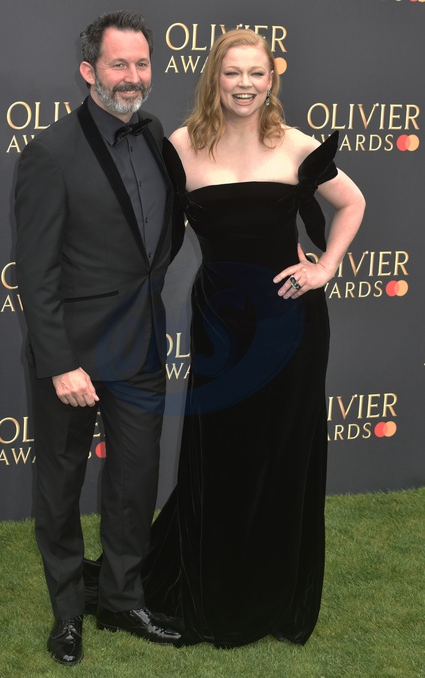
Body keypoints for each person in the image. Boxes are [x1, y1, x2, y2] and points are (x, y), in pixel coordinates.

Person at [138, 28, 366, 647]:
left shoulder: (295, 145)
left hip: (291, 325)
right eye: (233, 72)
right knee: (224, 454)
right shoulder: (181, 146)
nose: (244, 84)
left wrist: (325, 267)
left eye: (256, 74)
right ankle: (216, 588)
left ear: (271, 81)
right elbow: (150, 225)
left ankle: (275, 597)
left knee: (284, 454)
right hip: (222, 325)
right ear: (214, 77)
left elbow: (351, 203)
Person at [15, 10, 183, 666]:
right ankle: (67, 613)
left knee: (134, 480)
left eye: (141, 63)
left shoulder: (157, 136)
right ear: (90, 70)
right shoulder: (50, 152)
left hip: (140, 348)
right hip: (74, 357)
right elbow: (36, 272)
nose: (132, 75)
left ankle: (121, 598)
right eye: (119, 63)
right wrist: (60, 362)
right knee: (60, 486)